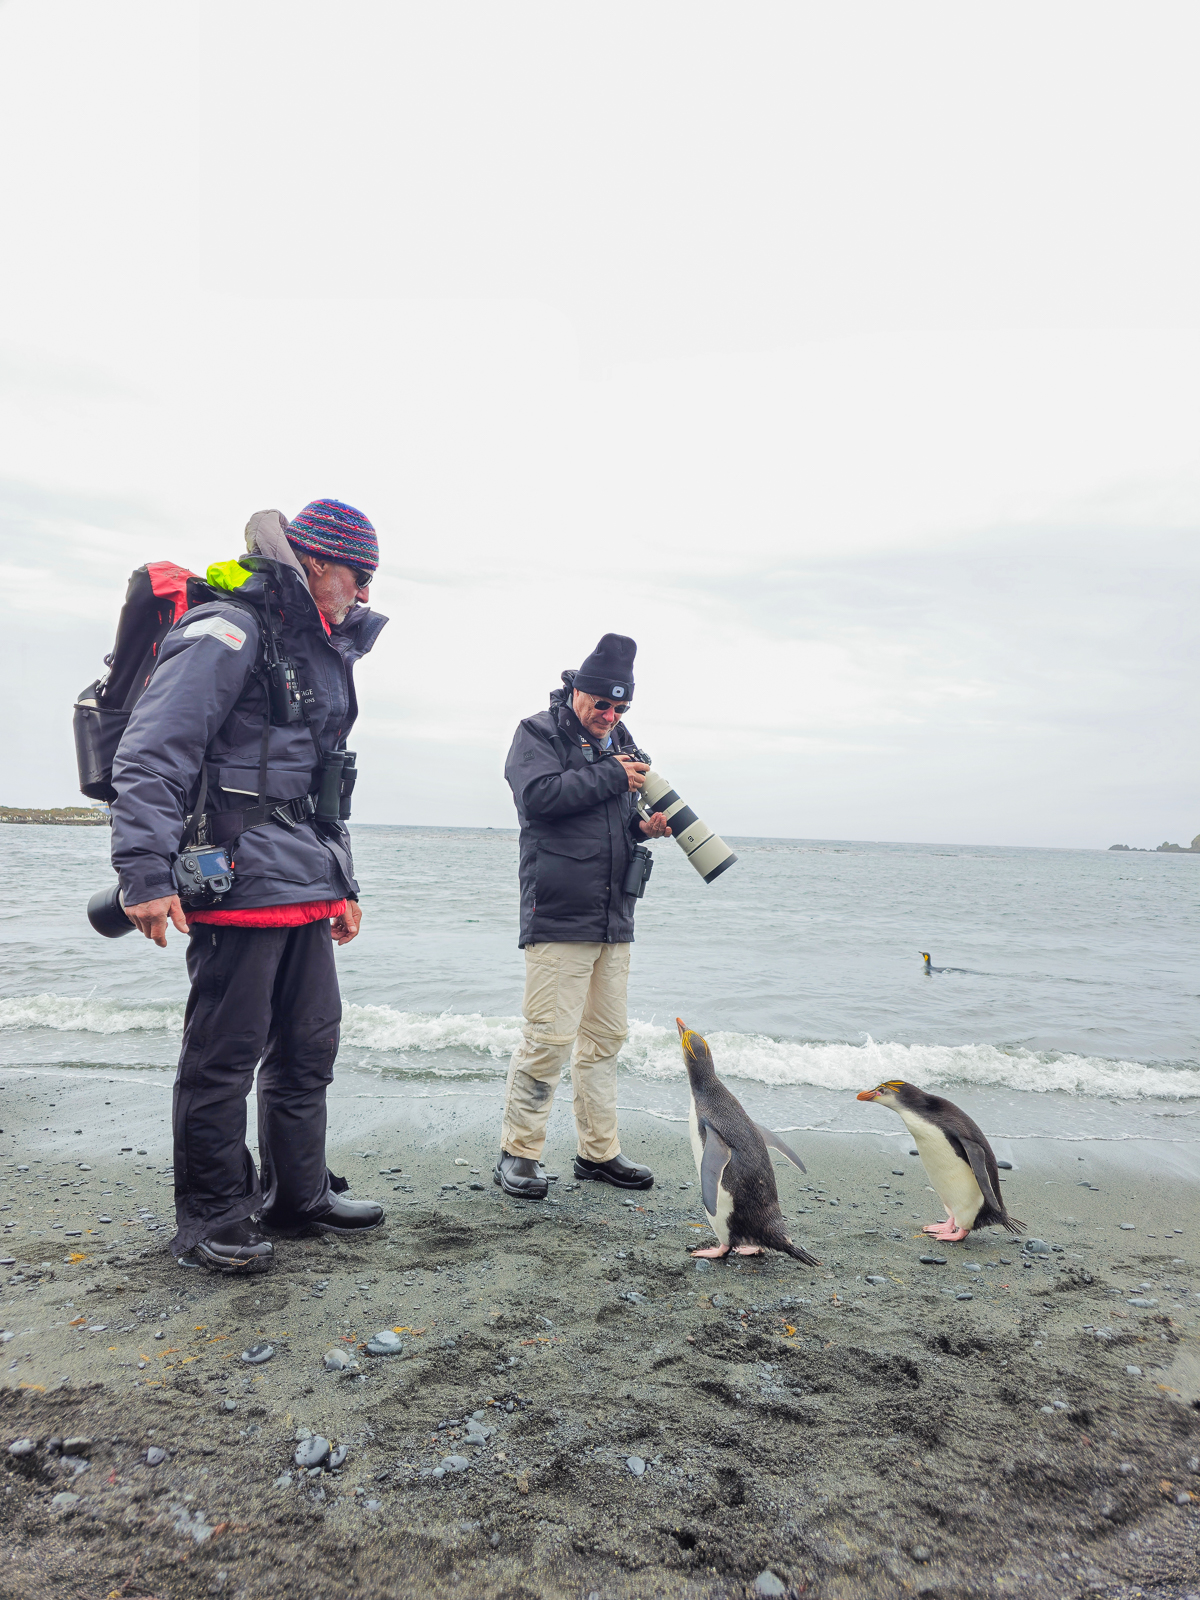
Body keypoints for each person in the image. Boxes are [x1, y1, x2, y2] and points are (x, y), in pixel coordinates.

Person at [111, 499, 388, 1273]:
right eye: (357, 576)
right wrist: (142, 872)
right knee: (222, 1059)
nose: (364, 594)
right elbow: (151, 752)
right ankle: (211, 1219)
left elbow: (323, 782)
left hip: (303, 880)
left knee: (308, 1049)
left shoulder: (319, 647)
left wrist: (344, 882)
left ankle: (297, 1198)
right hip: (233, 881)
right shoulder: (228, 630)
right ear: (317, 565)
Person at [495, 633, 672, 1201]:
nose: (610, 716)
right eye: (602, 704)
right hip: (559, 912)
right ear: (577, 691)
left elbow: (611, 818)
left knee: (606, 1038)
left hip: (614, 915)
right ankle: (517, 1154)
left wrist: (643, 828)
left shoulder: (620, 739)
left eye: (621, 707)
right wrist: (614, 776)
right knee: (549, 1037)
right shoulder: (537, 733)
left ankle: (598, 1154)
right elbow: (539, 797)